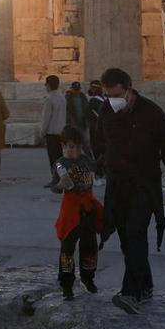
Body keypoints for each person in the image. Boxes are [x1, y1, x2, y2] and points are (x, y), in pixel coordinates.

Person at [92, 66, 165, 315]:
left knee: (135, 233)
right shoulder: (106, 109)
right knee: (127, 240)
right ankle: (145, 286)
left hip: (145, 184)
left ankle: (130, 293)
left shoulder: (151, 112)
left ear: (129, 89)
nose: (113, 100)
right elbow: (99, 139)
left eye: (117, 95)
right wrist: (101, 162)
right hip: (117, 184)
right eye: (108, 95)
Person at [54, 124, 103, 300]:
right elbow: (55, 186)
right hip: (70, 209)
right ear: (63, 146)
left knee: (89, 245)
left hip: (87, 208)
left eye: (77, 147)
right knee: (67, 248)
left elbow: (98, 168)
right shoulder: (60, 163)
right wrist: (59, 185)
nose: (74, 151)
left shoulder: (86, 160)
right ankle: (67, 284)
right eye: (70, 147)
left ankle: (88, 278)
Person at [39, 75, 67, 190]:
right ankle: (62, 178)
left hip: (51, 132)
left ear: (49, 85)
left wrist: (42, 132)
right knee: (60, 158)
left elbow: (46, 118)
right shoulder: (62, 98)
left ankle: (56, 180)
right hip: (61, 131)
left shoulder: (49, 99)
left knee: (53, 159)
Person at [85, 79, 107, 184]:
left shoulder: (93, 101)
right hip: (105, 129)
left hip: (96, 130)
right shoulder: (106, 99)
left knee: (97, 151)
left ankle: (100, 174)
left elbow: (87, 115)